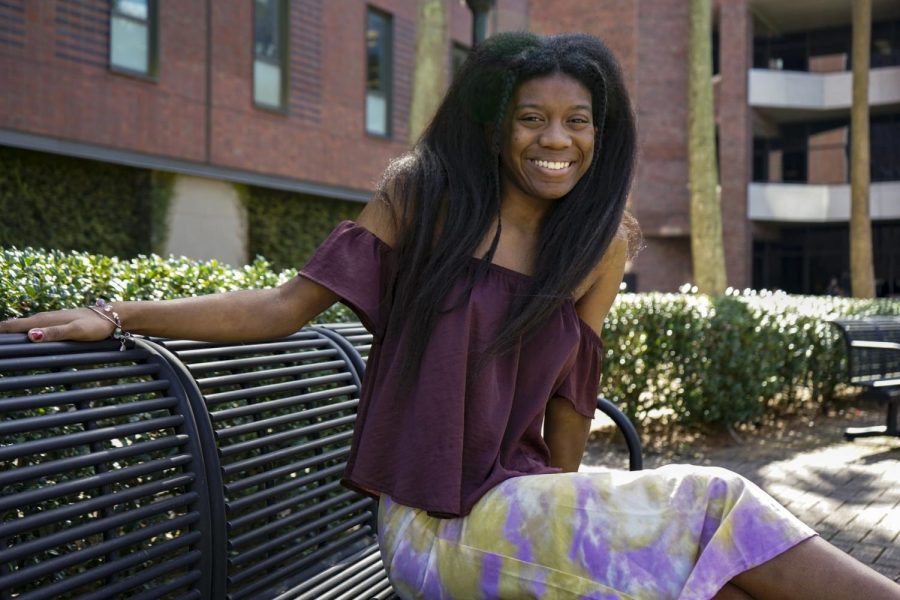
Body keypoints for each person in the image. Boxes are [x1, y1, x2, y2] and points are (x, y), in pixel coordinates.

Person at [2, 32, 898, 600]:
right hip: (431, 529)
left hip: (517, 510)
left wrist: (569, 504)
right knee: (718, 502)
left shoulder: (597, 244)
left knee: (723, 576)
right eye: (532, 119)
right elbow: (282, 307)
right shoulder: (420, 198)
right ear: (495, 125)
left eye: (578, 121)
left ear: (602, 130)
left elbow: (569, 403)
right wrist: (116, 316)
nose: (557, 140)